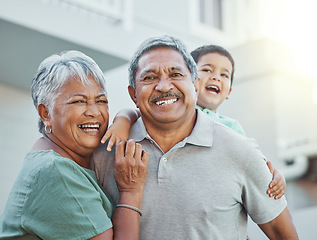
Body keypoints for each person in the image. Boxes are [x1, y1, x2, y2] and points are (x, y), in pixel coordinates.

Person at [91, 36, 298, 239]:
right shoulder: (104, 154)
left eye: (176, 74)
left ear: (196, 85)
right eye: (150, 77)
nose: (163, 86)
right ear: (133, 94)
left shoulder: (240, 150)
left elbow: (282, 234)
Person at [103, 45, 285, 200]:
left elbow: (253, 163)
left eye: (224, 75)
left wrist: (275, 176)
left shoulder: (231, 128)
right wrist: (121, 123)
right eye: (207, 70)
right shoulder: (172, 114)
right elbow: (133, 112)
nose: (215, 77)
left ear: (229, 90)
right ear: (192, 81)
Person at [0, 50, 149, 240]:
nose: (94, 112)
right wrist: (131, 191)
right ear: (46, 114)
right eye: (79, 101)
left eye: (101, 101)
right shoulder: (56, 170)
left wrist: (122, 120)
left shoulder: (54, 156)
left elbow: (133, 112)